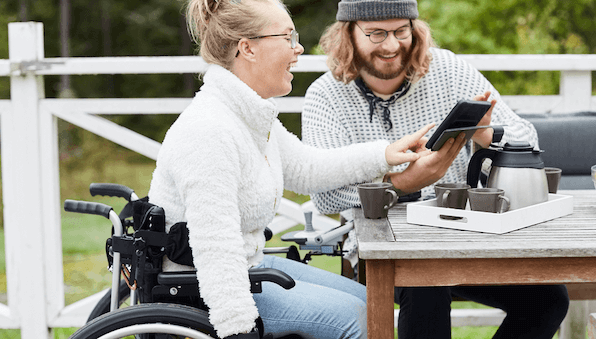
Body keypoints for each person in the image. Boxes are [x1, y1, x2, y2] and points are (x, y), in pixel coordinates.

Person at [147, 0, 435, 338]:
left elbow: (307, 168)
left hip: (250, 263)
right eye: (287, 37)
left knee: (374, 301)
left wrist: (386, 154)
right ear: (247, 48)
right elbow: (215, 245)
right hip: (204, 286)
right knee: (357, 318)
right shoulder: (211, 129)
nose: (298, 47)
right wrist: (240, 328)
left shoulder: (248, 113)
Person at [301, 1, 570, 338]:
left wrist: (487, 134)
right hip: (383, 250)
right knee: (424, 283)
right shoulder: (324, 96)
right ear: (348, 35)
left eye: (401, 31)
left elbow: (526, 138)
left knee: (548, 299)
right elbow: (325, 197)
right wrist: (400, 184)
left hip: (468, 237)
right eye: (376, 34)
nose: (391, 45)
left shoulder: (449, 70)